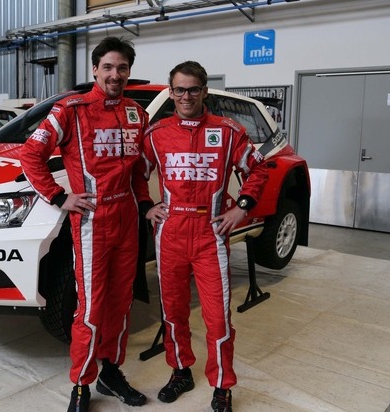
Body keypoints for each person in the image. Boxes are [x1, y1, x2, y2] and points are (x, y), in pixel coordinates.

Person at [20, 36, 152, 412]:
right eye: (108, 67)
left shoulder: (136, 113)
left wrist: (145, 204)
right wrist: (58, 196)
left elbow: (138, 171)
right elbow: (31, 154)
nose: (115, 74)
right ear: (95, 69)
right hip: (93, 222)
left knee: (121, 303)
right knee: (91, 308)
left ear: (129, 71)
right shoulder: (71, 109)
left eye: (122, 68)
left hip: (128, 220)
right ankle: (81, 384)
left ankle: (111, 371)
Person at [141, 61, 269, 412]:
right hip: (170, 233)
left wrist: (242, 208)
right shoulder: (156, 133)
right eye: (180, 90)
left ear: (204, 91)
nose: (186, 96)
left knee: (217, 317)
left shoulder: (228, 131)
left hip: (210, 234)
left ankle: (222, 385)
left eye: (193, 89)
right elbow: (137, 173)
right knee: (173, 311)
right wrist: (146, 206)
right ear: (171, 92)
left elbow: (258, 169)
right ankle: (180, 371)